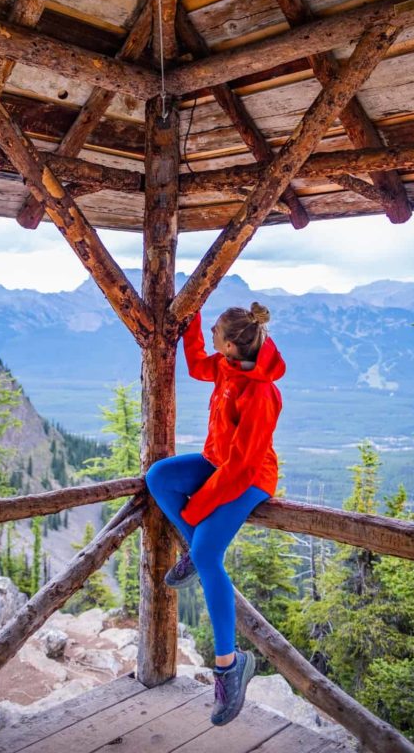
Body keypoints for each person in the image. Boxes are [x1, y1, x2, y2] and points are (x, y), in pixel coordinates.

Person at [145, 301, 285, 727]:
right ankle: (198, 548)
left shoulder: (261, 392)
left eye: (213, 337)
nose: (210, 343)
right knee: (160, 477)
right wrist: (192, 322)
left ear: (228, 345)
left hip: (250, 478)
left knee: (208, 557)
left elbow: (241, 469)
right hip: (216, 463)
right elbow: (196, 368)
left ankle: (229, 665)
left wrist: (200, 505)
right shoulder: (227, 366)